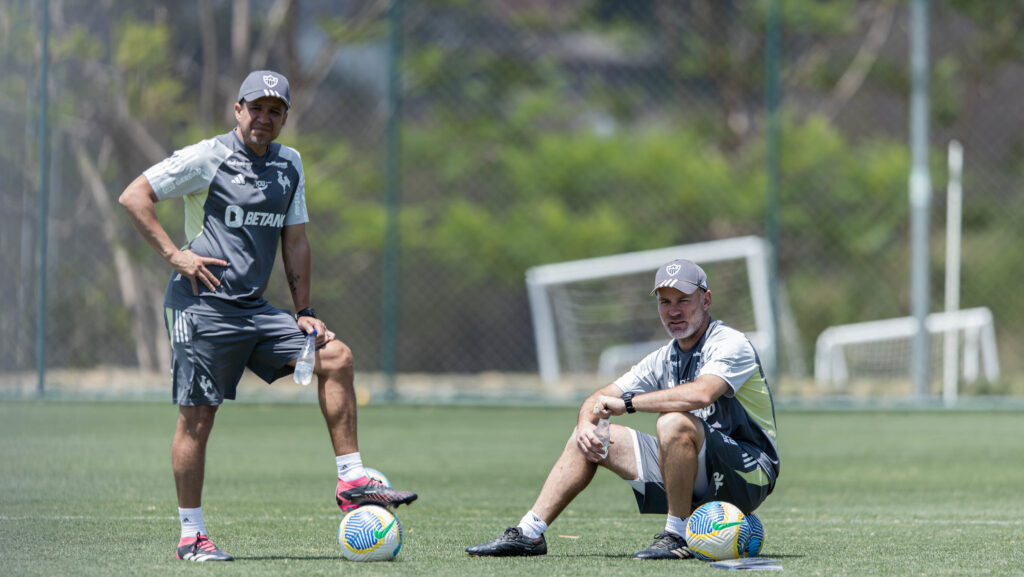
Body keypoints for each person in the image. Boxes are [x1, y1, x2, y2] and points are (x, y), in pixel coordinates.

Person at [119, 70, 417, 562]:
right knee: (198, 417)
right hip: (202, 306)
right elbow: (135, 196)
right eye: (255, 107)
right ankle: (192, 536)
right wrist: (176, 255)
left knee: (336, 356)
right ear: (238, 110)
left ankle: (352, 481)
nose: (264, 117)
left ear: (284, 118)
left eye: (275, 110)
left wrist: (305, 312)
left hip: (254, 310)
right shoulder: (207, 157)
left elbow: (294, 238)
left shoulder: (289, 164)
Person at [466, 259, 779, 559]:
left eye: (683, 300)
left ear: (706, 300)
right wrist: (587, 427)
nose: (673, 311)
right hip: (698, 471)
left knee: (672, 422)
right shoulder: (662, 357)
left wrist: (629, 403)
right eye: (665, 302)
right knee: (589, 435)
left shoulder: (729, 343)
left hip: (749, 473)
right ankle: (529, 533)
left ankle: (677, 534)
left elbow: (702, 393)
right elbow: (598, 398)